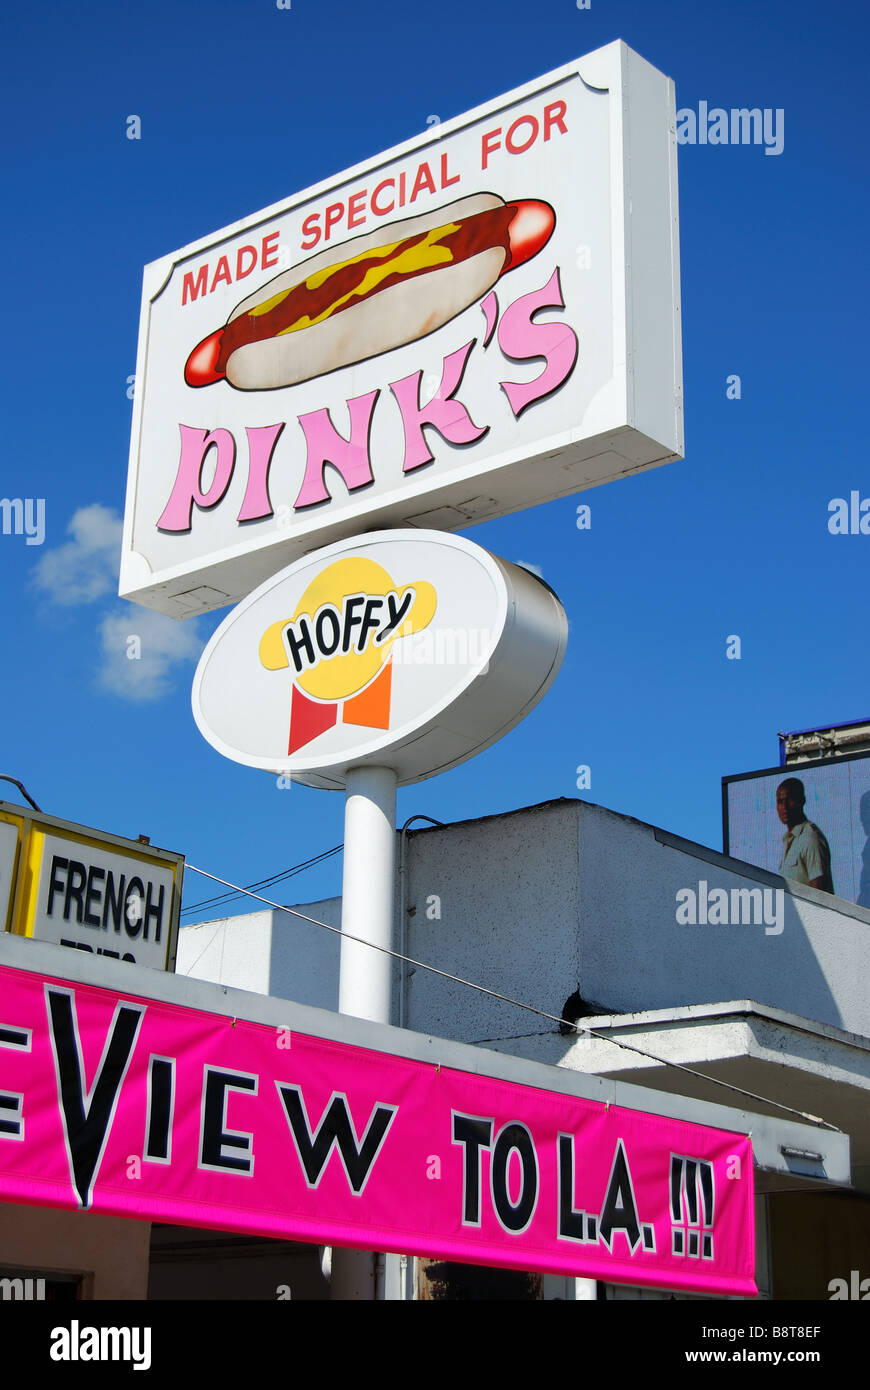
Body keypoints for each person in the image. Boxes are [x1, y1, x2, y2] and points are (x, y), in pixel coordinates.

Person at [776, 778, 834, 893]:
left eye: (790, 799)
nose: (785, 807)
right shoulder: (788, 840)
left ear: (802, 801)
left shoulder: (810, 838)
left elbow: (819, 895)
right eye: (780, 801)